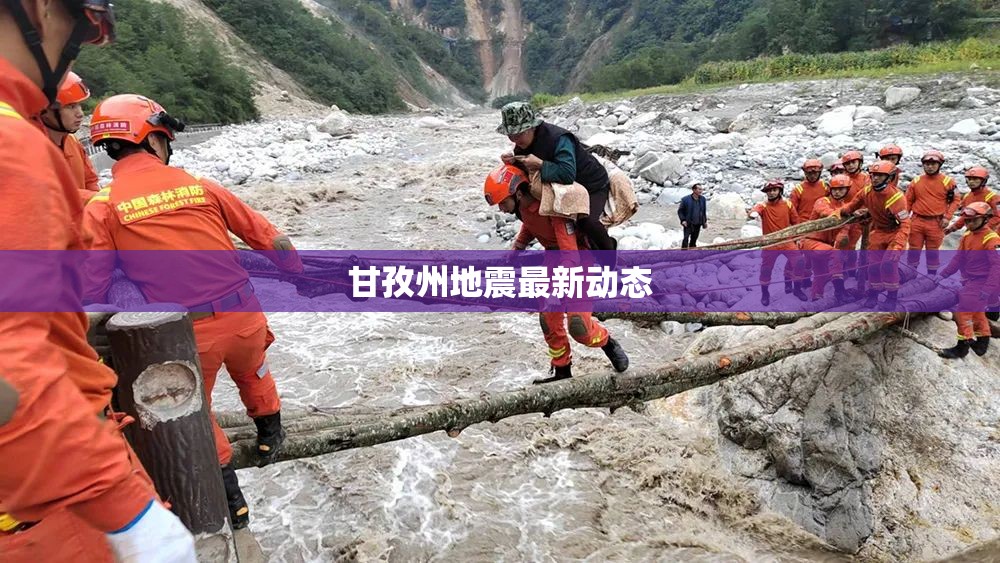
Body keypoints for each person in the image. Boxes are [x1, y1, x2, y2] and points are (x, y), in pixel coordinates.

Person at [0, 1, 195, 561]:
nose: (77, 49)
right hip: (49, 497)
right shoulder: (15, 147)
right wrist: (126, 510)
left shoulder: (75, 171)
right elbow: (12, 379)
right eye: (82, 34)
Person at [82, 93, 303, 530]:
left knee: (192, 408)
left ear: (110, 148)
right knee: (254, 372)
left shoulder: (102, 208)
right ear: (155, 138)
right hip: (245, 317)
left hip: (188, 333)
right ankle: (270, 434)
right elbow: (272, 241)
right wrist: (296, 272)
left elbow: (93, 290)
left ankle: (231, 499)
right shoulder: (202, 187)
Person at [483, 163, 629, 384]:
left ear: (518, 193)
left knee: (579, 328)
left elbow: (569, 250)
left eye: (503, 202)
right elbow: (531, 225)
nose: (502, 209)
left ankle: (607, 342)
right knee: (549, 320)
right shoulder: (523, 208)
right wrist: (517, 249)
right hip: (552, 260)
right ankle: (562, 370)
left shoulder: (552, 206)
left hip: (578, 261)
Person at [497, 102, 617, 251]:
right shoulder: (521, 145)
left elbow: (567, 173)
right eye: (511, 136)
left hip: (591, 184)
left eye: (518, 134)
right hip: (560, 188)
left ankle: (609, 253)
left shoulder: (558, 138)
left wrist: (541, 164)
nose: (515, 140)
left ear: (531, 127)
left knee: (586, 221)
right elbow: (524, 175)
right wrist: (512, 163)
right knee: (523, 207)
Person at [839, 160, 911, 309]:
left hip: (895, 233)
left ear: (889, 178)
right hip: (878, 232)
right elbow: (853, 204)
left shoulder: (896, 198)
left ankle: (892, 297)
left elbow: (905, 224)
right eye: (873, 175)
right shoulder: (867, 191)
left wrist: (898, 246)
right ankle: (873, 295)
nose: (875, 178)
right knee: (873, 266)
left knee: (888, 265)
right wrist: (844, 212)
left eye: (880, 175)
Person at [936, 202, 1000, 359]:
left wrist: (988, 289)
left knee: (962, 311)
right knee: (977, 312)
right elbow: (958, 259)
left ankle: (961, 348)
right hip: (971, 280)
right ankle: (982, 343)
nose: (969, 223)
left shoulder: (992, 240)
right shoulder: (967, 236)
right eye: (967, 220)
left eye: (974, 220)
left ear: (985, 219)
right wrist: (943, 274)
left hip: (983, 281)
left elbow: (997, 268)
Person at [40, 70, 100, 205]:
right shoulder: (32, 148)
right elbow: (52, 193)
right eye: (71, 107)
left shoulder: (72, 141)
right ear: (45, 110)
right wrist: (98, 199)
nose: (80, 113)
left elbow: (90, 180)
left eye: (79, 105)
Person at [747, 180, 807, 305]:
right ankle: (765, 293)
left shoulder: (788, 204)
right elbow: (756, 209)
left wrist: (799, 238)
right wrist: (753, 213)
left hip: (787, 241)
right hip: (770, 244)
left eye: (774, 190)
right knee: (766, 269)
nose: (771, 193)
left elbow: (796, 222)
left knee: (799, 262)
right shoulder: (763, 206)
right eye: (769, 190)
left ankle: (797, 288)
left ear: (780, 191)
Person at [798, 174, 852, 303]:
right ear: (830, 189)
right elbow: (825, 212)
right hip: (810, 242)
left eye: (841, 189)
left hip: (824, 245)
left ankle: (816, 300)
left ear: (847, 190)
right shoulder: (822, 201)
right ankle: (840, 291)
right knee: (835, 254)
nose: (838, 192)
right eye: (835, 189)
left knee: (821, 275)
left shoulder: (845, 207)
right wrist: (843, 214)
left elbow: (844, 230)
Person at [904, 150, 959, 275]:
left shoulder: (948, 182)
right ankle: (910, 275)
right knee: (914, 249)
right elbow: (908, 201)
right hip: (917, 220)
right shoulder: (916, 181)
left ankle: (931, 276)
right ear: (923, 165)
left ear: (939, 165)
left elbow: (956, 200)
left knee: (933, 251)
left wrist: (948, 217)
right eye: (927, 164)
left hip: (937, 222)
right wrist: (905, 219)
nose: (930, 167)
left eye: (933, 164)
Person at [790, 159, 828, 288]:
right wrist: (795, 232)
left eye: (815, 173)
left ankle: (807, 280)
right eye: (810, 173)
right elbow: (792, 211)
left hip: (820, 227)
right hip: (803, 227)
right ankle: (791, 283)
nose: (812, 175)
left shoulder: (825, 187)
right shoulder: (798, 190)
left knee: (813, 257)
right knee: (799, 258)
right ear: (805, 173)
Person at [840, 150, 869, 278]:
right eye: (848, 163)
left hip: (864, 218)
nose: (851, 165)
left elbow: (871, 197)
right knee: (845, 244)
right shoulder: (841, 179)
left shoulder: (866, 178)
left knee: (866, 245)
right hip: (846, 218)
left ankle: (856, 270)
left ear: (859, 163)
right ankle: (844, 270)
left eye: (853, 162)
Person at [946, 166, 1000, 234]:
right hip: (973, 231)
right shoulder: (967, 197)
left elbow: (998, 217)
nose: (971, 182)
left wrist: (982, 229)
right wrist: (952, 228)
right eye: (969, 179)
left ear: (983, 180)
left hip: (989, 234)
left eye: (975, 179)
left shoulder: (992, 197)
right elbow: (965, 217)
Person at [678, 182, 708, 249]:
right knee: (686, 239)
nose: (701, 191)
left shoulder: (703, 199)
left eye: (701, 189)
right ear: (694, 190)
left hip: (698, 223)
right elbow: (680, 211)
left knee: (694, 239)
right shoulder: (685, 199)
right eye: (699, 189)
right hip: (688, 223)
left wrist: (704, 222)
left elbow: (703, 211)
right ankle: (683, 254)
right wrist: (683, 220)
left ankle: (692, 253)